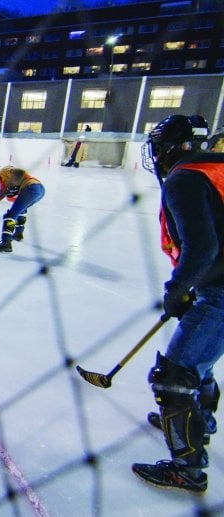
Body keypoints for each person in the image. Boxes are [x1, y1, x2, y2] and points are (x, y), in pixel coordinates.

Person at [131, 114, 224, 494]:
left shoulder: (185, 178)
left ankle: (187, 468)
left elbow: (203, 247)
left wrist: (178, 289)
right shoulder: (217, 167)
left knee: (176, 376)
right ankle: (202, 419)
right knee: (200, 360)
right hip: (216, 285)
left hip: (220, 288)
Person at [0, 164, 45, 252]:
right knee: (20, 210)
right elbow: (1, 194)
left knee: (10, 215)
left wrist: (13, 184)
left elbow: (20, 172)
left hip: (31, 187)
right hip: (38, 190)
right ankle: (18, 233)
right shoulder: (3, 182)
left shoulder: (3, 171)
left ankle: (6, 242)